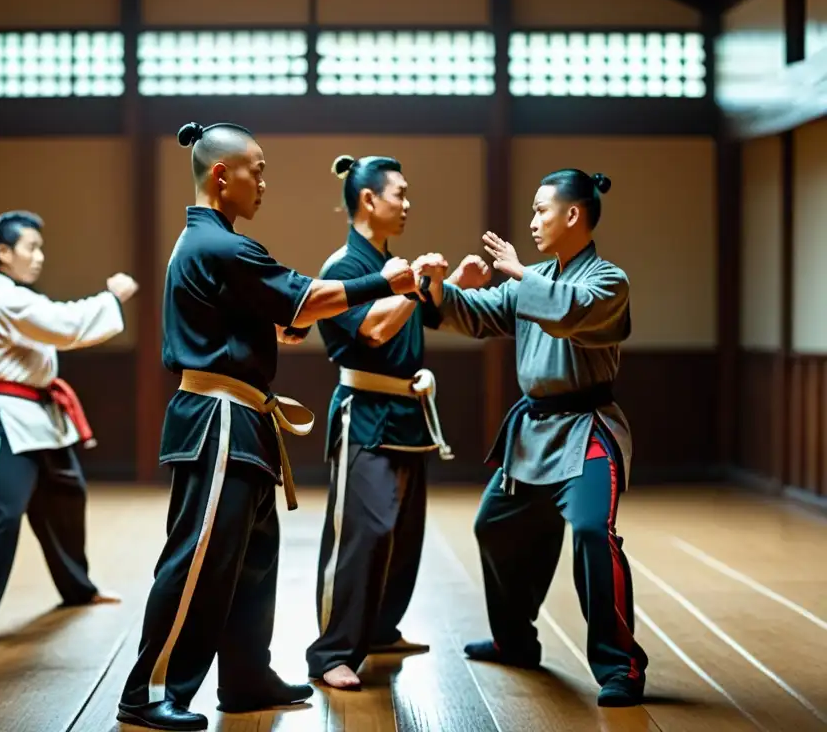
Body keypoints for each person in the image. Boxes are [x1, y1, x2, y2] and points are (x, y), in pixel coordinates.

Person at [116, 122, 427, 732]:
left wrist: (276, 327)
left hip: (244, 418)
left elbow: (266, 315)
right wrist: (384, 282)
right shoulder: (219, 246)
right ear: (220, 175)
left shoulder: (217, 245)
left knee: (252, 559)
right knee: (198, 559)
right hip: (218, 421)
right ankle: (149, 689)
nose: (263, 182)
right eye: (255, 170)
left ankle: (244, 676)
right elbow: (304, 299)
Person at [421, 170, 648, 707]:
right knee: (493, 525)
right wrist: (439, 287)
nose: (532, 221)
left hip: (587, 428)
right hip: (532, 430)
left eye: (541, 210)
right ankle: (514, 640)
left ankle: (621, 666)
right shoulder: (534, 277)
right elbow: (476, 315)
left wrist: (521, 273)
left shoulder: (608, 281)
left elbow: (570, 312)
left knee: (594, 531)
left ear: (573, 214)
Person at [305, 154, 483, 690]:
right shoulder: (342, 267)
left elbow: (427, 309)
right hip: (363, 414)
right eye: (398, 194)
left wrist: (452, 281)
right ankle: (331, 652)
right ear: (367, 200)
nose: (406, 204)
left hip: (406, 413)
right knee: (363, 533)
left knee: (403, 534)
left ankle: (381, 629)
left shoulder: (393, 264)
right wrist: (413, 283)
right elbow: (376, 331)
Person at [0, 210, 138, 649]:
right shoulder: (1, 300)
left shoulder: (19, 297)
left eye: (39, 247)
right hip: (9, 419)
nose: (38, 256)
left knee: (67, 499)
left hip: (43, 418)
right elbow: (65, 325)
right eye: (30, 247)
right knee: (0, 516)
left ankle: (77, 588)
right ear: (3, 252)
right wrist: (111, 297)